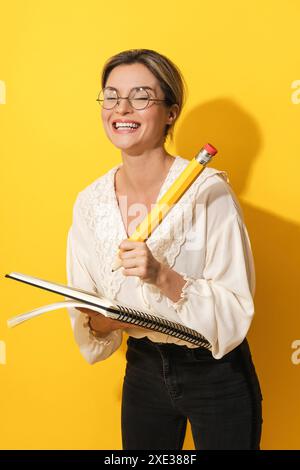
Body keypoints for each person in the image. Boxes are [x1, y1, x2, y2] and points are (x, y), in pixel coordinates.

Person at [66, 49, 263, 450]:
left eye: (141, 96)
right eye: (111, 95)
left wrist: (162, 276)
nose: (122, 108)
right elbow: (96, 326)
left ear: (171, 112)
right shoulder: (90, 202)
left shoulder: (208, 193)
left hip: (217, 374)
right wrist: (104, 318)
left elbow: (235, 308)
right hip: (142, 371)